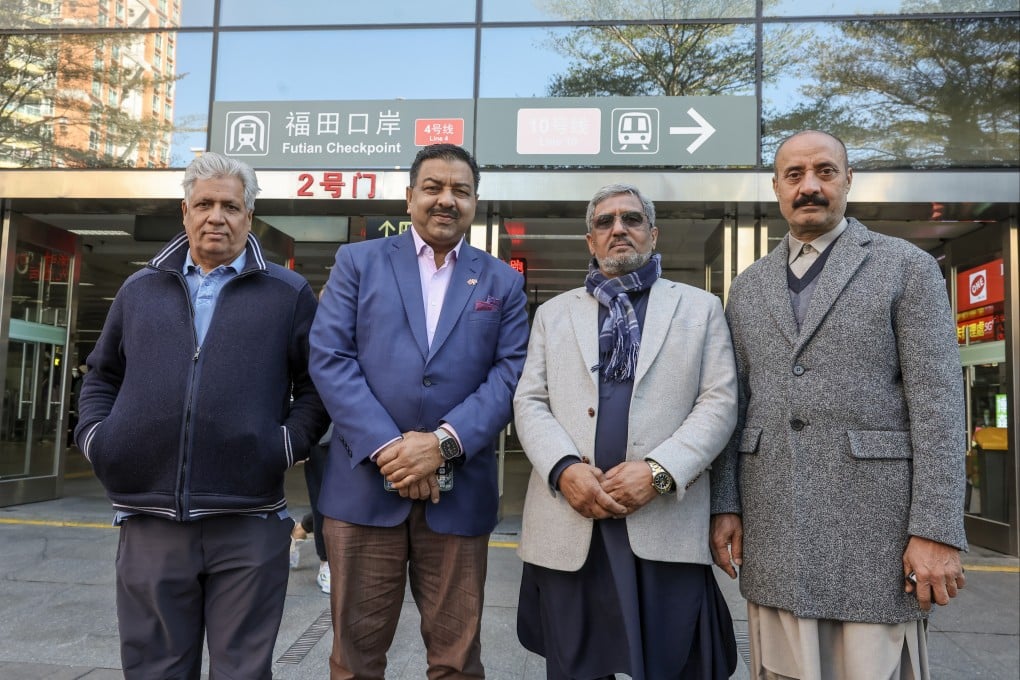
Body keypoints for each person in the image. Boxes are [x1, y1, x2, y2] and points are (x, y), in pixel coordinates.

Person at [711, 130, 967, 679]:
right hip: (775, 529)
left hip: (877, 534)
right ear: (776, 187)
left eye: (825, 172)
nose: (810, 186)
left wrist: (937, 530)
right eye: (794, 175)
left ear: (849, 180)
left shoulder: (906, 267)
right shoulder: (749, 286)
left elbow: (940, 406)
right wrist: (725, 504)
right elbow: (737, 405)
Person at [75, 151, 328, 680]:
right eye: (205, 204)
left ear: (249, 216)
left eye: (231, 206)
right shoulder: (139, 289)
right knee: (155, 668)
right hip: (150, 518)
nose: (217, 217)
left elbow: (316, 387)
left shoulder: (287, 293)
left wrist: (283, 445)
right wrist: (100, 439)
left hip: (250, 519)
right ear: (185, 211)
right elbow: (101, 375)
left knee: (242, 671)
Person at [309, 143, 530, 679]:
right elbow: (330, 357)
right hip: (363, 491)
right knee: (354, 661)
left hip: (460, 495)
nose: (446, 200)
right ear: (409, 197)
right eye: (433, 188)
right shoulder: (358, 262)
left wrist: (441, 445)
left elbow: (510, 375)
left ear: (475, 202)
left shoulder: (502, 280)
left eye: (461, 191)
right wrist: (392, 449)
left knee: (457, 662)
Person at [513, 183, 739, 679]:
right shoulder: (553, 314)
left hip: (663, 522)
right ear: (590, 240)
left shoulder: (700, 308)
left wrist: (659, 472)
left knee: (673, 665)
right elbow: (529, 401)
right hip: (571, 518)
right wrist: (564, 470)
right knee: (575, 668)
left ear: (653, 235)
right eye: (605, 222)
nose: (618, 229)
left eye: (632, 219)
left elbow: (720, 403)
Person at [290, 422, 333, 595]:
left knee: (351, 498)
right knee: (323, 496)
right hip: (324, 429)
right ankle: (326, 563)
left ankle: (301, 528)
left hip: (359, 430)